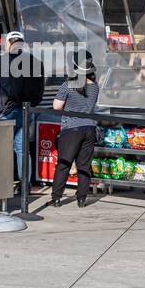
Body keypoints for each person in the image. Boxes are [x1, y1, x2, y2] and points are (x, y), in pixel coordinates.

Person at [0, 31, 44, 182]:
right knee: (22, 149)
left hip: (9, 110)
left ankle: (0, 182)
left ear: (9, 44)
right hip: (29, 109)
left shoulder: (1, 61)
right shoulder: (36, 61)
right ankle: (25, 185)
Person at [50, 52, 100, 208]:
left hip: (71, 128)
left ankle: (57, 197)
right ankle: (81, 199)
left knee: (64, 164)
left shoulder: (68, 85)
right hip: (90, 128)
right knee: (84, 165)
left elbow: (56, 106)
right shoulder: (95, 87)